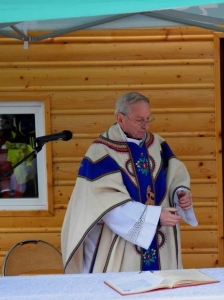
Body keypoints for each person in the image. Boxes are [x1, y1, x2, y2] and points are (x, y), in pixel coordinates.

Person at [61, 92, 198, 274]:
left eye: (149, 118)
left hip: (160, 241)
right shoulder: (101, 151)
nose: (146, 126)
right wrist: (154, 217)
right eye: (139, 120)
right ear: (120, 118)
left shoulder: (156, 143)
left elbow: (173, 174)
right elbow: (105, 203)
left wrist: (180, 193)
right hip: (120, 243)